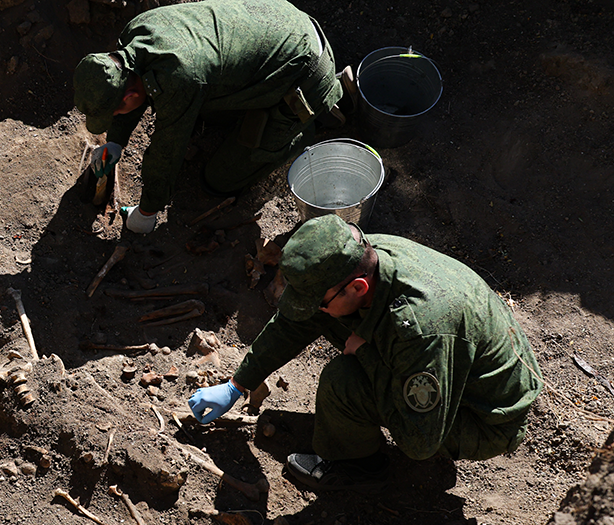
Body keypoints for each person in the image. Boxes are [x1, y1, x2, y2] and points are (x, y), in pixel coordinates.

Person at [188, 215, 542, 491]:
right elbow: (296, 322)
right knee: (331, 320)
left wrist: (366, 355)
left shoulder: (419, 328)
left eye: (320, 302)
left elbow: (420, 442)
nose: (315, 309)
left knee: (343, 381)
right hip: (462, 366)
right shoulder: (364, 256)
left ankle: (357, 466)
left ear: (358, 287)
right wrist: (238, 383)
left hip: (484, 416)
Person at [73, 0, 353, 234]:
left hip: (305, 69)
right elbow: (126, 91)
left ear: (128, 98)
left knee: (218, 181)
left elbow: (166, 152)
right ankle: (261, 104)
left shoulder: (178, 77)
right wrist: (116, 143)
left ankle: (316, 115)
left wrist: (147, 211)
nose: (116, 117)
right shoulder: (134, 35)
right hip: (280, 22)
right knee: (204, 112)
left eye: (115, 113)